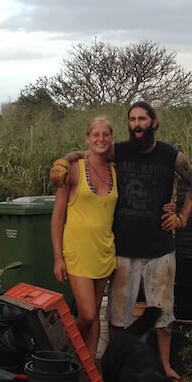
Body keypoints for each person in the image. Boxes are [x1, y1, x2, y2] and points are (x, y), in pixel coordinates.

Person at [52, 100, 192, 382]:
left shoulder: (170, 154)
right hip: (123, 250)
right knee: (117, 316)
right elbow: (87, 152)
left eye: (142, 119)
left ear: (154, 122)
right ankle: (116, 366)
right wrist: (64, 159)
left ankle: (165, 366)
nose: (136, 124)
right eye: (132, 119)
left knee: (163, 312)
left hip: (160, 248)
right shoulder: (118, 151)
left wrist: (182, 217)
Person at [50, 116, 118, 363]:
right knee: (88, 315)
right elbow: (58, 216)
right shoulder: (73, 169)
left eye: (106, 135)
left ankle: (90, 375)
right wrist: (58, 257)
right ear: (87, 139)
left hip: (104, 252)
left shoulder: (114, 170)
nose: (101, 139)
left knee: (95, 314)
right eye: (96, 135)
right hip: (77, 252)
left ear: (111, 138)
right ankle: (57, 343)